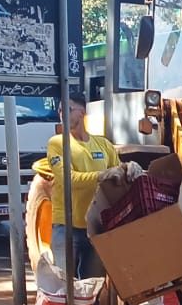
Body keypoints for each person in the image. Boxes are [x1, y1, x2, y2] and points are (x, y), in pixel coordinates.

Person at [31, 92, 119, 278]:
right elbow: (68, 180)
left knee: (92, 287)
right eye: (60, 110)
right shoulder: (57, 143)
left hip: (95, 227)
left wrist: (129, 169)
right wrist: (103, 175)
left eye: (68, 109)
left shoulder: (103, 145)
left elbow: (118, 181)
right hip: (67, 227)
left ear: (82, 112)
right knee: (64, 286)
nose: (62, 114)